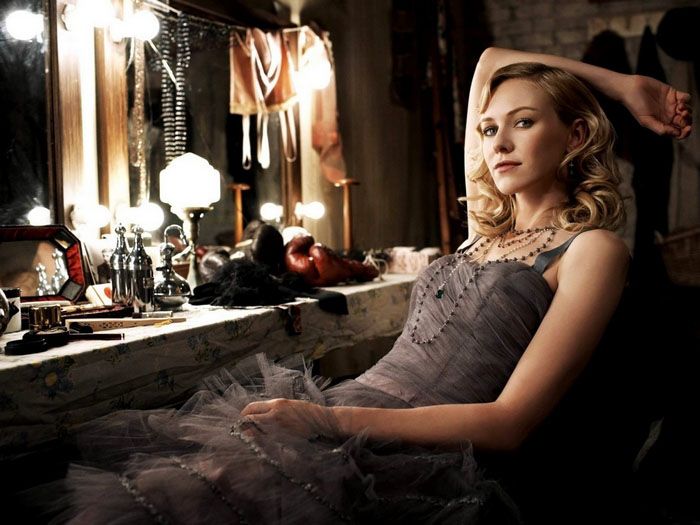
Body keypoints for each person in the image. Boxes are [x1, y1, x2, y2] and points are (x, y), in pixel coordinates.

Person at [36, 47, 691, 524]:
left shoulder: (592, 250)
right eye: (489, 128)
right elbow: (490, 61)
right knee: (156, 483)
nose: (497, 143)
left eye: (524, 122)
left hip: (414, 450)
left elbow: (510, 423)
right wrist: (622, 81)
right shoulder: (482, 233)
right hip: (347, 406)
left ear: (576, 134)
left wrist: (326, 420)